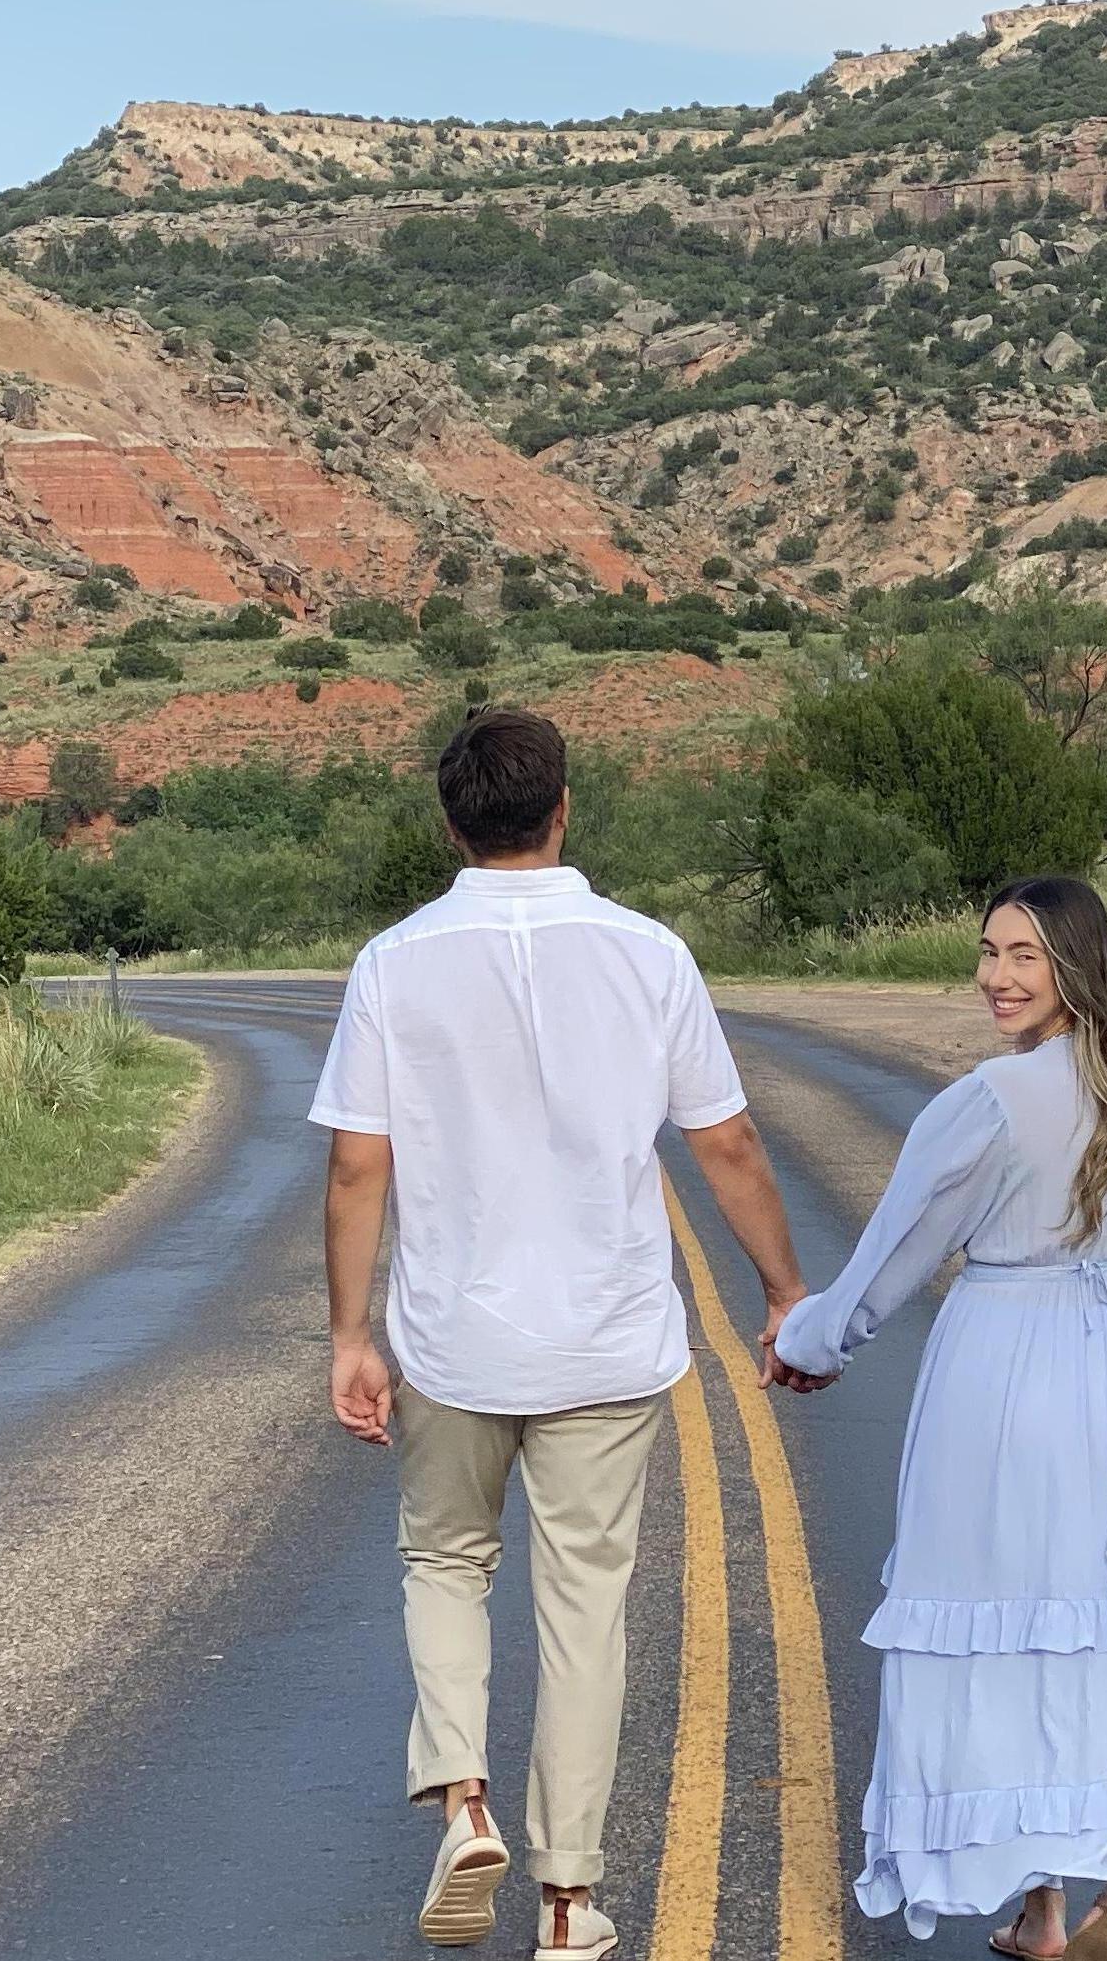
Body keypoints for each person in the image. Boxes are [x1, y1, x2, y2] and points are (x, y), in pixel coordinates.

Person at [312, 705, 809, 1957]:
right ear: (564, 805)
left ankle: (464, 1798)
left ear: (449, 819)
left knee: (442, 1562)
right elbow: (725, 1140)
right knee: (585, 1604)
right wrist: (782, 1288)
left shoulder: (394, 960)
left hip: (451, 1337)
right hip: (604, 1334)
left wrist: (347, 1331)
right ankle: (569, 1899)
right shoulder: (646, 951)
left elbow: (355, 1171)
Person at [772, 875, 1107, 1958]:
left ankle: (1046, 1878)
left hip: (1007, 1357)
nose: (995, 975)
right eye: (988, 949)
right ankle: (1073, 1877)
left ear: (1070, 967)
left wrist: (811, 1340)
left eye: (1023, 956)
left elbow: (897, 1251)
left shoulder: (986, 1102)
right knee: (1083, 1607)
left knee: (983, 1610)